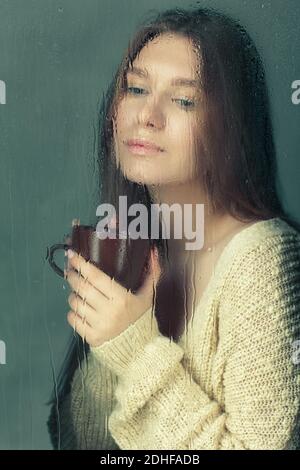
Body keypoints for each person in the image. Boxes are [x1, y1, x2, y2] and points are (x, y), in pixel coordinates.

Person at [47, 6, 300, 450]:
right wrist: (111, 305)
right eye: (136, 88)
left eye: (183, 100)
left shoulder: (263, 258)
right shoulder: (142, 243)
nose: (147, 114)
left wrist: (134, 346)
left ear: (231, 124)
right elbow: (81, 438)